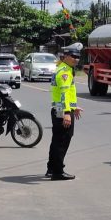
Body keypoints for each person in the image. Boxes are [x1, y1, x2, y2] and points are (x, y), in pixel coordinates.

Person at [46, 42, 83, 180]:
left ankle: (51, 167)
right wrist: (67, 113)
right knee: (62, 141)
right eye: (73, 56)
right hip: (62, 110)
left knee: (57, 140)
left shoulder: (62, 68)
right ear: (65, 56)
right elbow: (63, 93)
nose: (76, 59)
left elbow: (68, 94)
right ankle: (57, 171)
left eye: (78, 57)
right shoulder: (64, 73)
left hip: (60, 108)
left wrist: (74, 107)